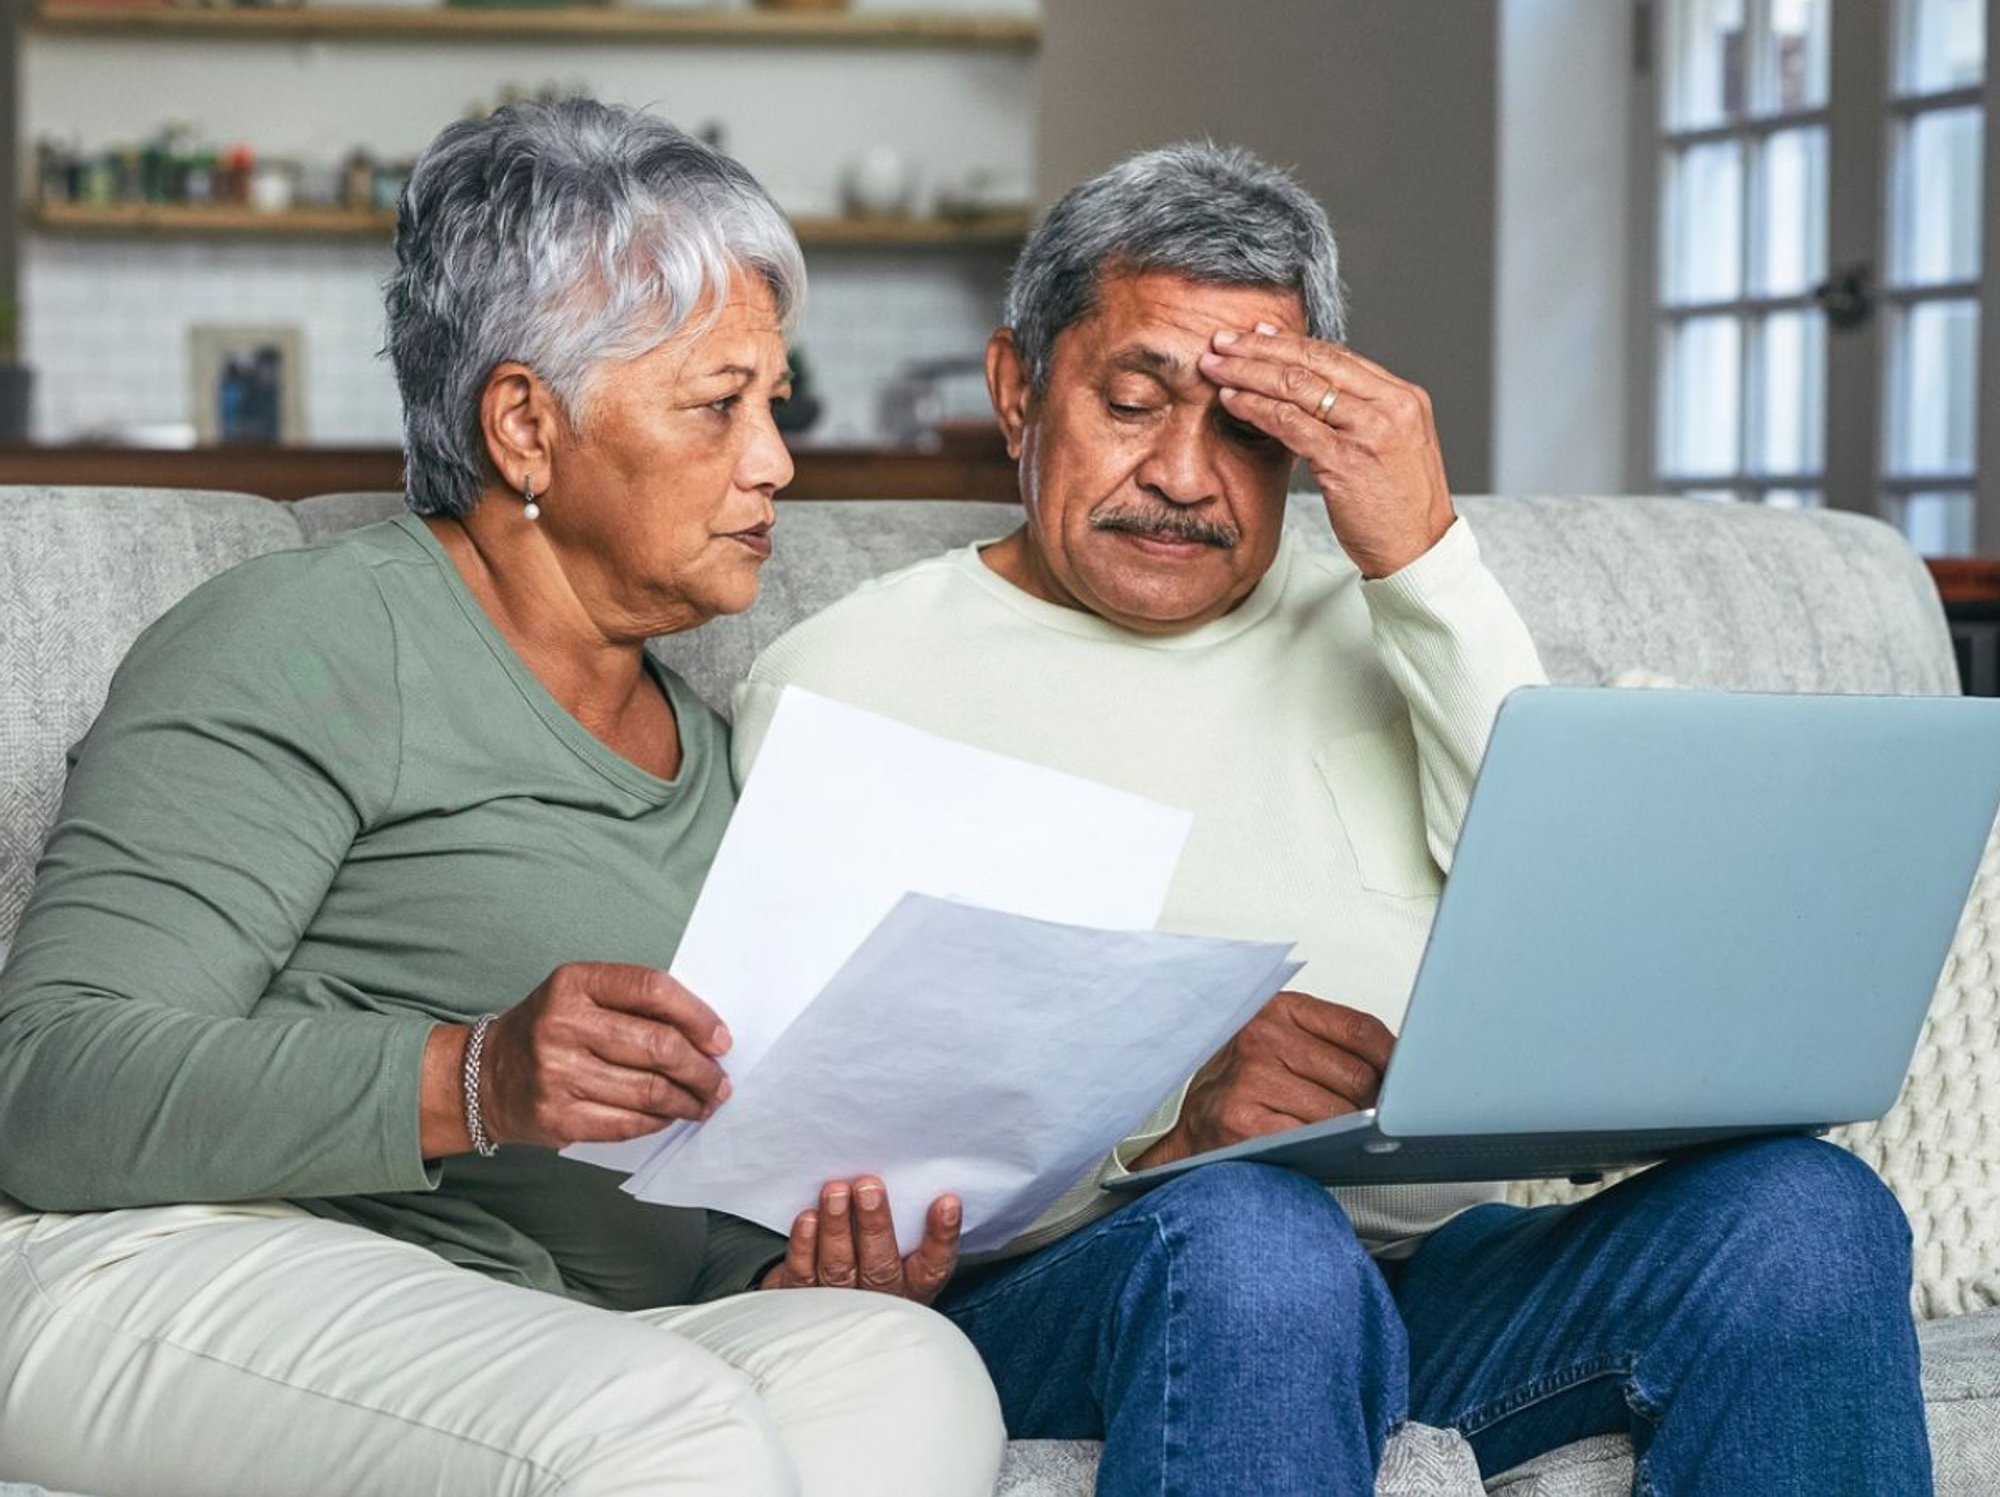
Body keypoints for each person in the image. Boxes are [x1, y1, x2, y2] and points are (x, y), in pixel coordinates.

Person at [734, 142, 1931, 1496]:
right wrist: (1166, 1144)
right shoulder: (858, 678)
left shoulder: (1400, 617)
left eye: (1248, 427)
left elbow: (1581, 941)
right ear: (1020, 389)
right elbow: (819, 1155)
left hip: (1441, 1278)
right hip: (1088, 1287)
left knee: (1812, 1216)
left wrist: (1424, 555)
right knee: (1256, 1233)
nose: (1187, 474)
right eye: (1134, 405)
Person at [0, 99, 1003, 1497]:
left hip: (546, 1329)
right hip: (166, 1256)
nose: (776, 460)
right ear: (528, 425)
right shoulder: (314, 640)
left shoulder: (714, 759)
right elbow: (46, 1086)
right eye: (719, 404)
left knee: (906, 1372)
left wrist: (787, 1263)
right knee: (659, 1422)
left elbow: (668, 1196)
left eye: (775, 403)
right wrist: (469, 1075)